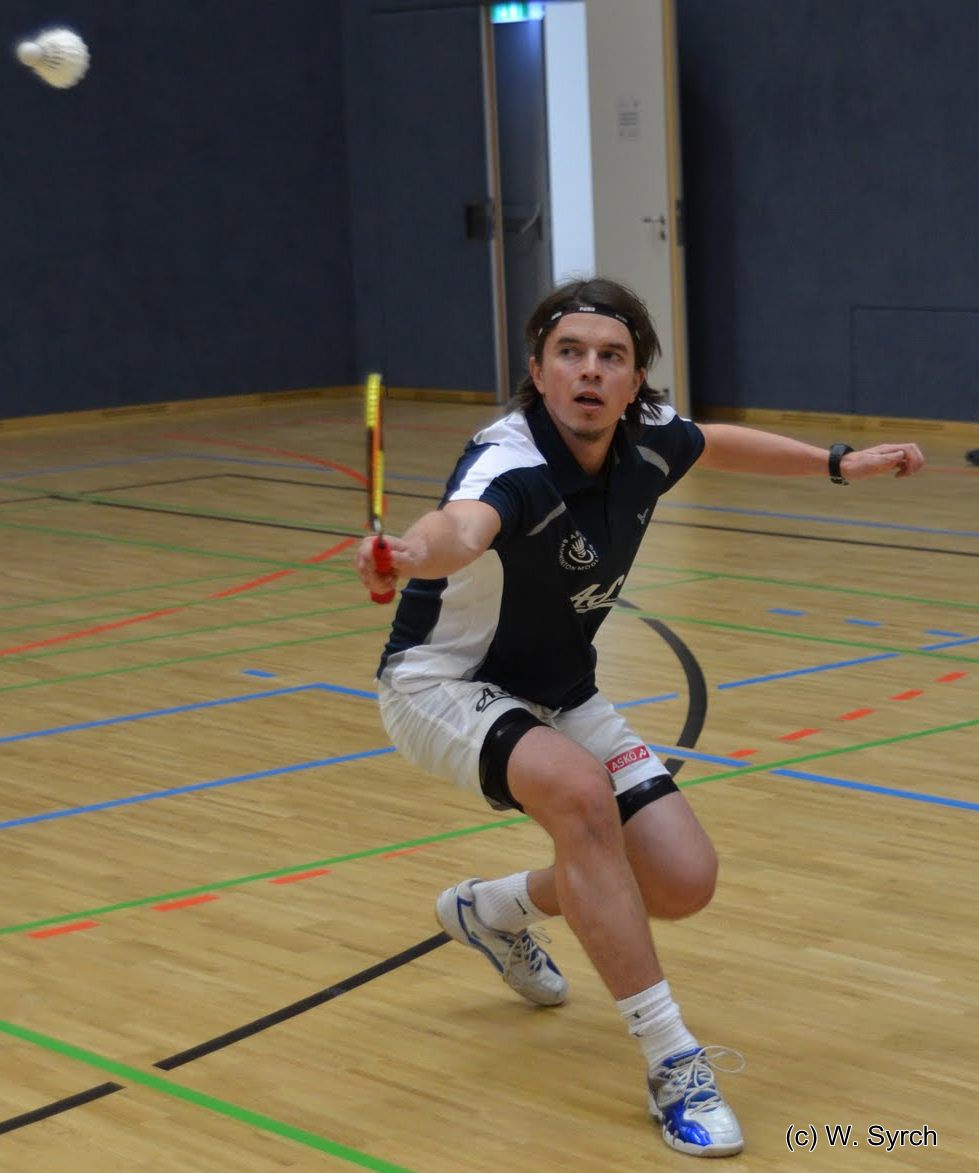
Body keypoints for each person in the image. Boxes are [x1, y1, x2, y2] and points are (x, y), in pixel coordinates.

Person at [355, 277, 925, 1159]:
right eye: (569, 353)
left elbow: (711, 440)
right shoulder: (508, 463)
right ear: (538, 372)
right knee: (580, 795)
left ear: (633, 381)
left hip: (560, 687)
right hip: (442, 685)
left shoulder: (647, 436)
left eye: (610, 357)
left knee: (679, 881)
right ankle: (672, 1062)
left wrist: (834, 464)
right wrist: (406, 551)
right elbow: (458, 528)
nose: (589, 370)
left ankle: (493, 909)